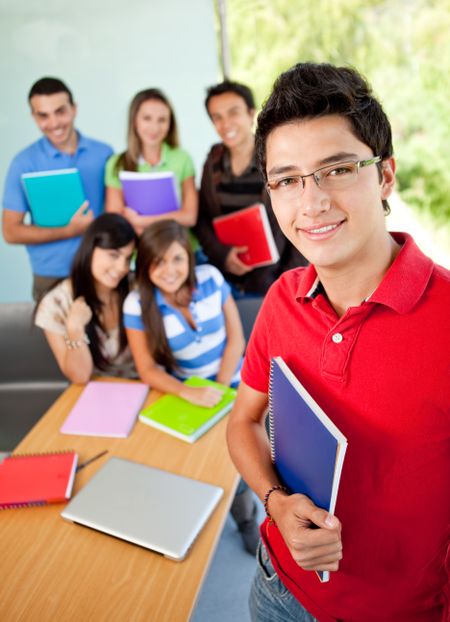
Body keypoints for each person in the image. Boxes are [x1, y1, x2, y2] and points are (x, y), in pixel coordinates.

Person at [226, 62, 450, 622]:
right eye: (287, 179)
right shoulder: (282, 299)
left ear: (386, 176)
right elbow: (244, 422)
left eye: (337, 168)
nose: (312, 202)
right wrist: (276, 507)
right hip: (277, 586)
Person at [123, 219, 259, 553]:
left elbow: (236, 340)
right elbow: (147, 369)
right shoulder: (137, 304)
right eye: (158, 262)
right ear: (145, 265)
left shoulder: (212, 278)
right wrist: (191, 393)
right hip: (186, 392)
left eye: (176, 259)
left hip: (236, 382)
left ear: (189, 257)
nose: (169, 270)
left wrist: (224, 392)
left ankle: (245, 519)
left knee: (242, 459)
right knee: (193, 465)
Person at [2, 77, 113, 301]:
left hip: (102, 272)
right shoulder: (23, 163)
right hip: (51, 277)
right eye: (43, 115)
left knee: (110, 337)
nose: (53, 123)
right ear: (33, 117)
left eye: (60, 111)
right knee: (65, 337)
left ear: (74, 109)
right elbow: (11, 231)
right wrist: (70, 230)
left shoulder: (104, 154)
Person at [194, 80, 306, 297]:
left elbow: (299, 216)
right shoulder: (213, 162)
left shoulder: (278, 158)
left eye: (233, 113)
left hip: (274, 281)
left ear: (250, 113)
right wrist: (223, 255)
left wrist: (286, 282)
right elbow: (202, 218)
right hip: (227, 283)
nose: (225, 124)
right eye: (217, 117)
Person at [35, 213, 138, 384]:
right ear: (90, 249)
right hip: (93, 392)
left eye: (128, 258)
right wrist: (75, 330)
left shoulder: (135, 287)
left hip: (141, 385)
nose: (122, 267)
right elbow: (79, 377)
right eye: (114, 255)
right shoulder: (55, 303)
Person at [105, 88, 198, 236]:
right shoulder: (116, 164)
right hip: (141, 253)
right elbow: (116, 220)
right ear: (134, 120)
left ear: (170, 124)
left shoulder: (182, 159)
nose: (154, 128)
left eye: (162, 120)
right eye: (147, 118)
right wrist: (172, 218)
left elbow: (189, 217)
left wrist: (140, 221)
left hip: (180, 249)